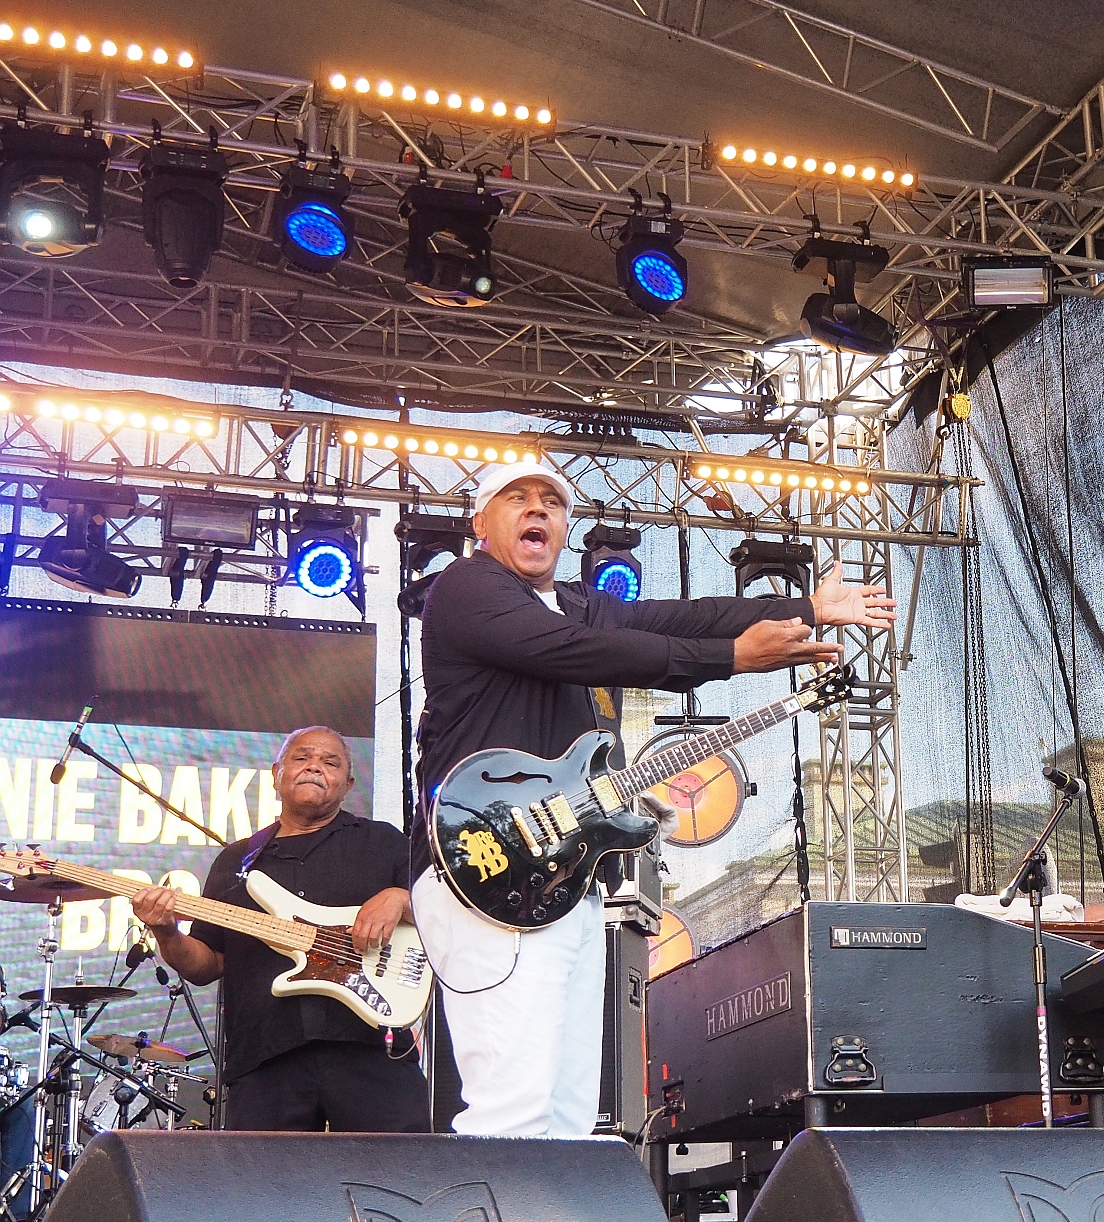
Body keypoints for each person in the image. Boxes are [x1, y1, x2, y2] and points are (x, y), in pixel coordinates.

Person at [411, 458, 892, 1138]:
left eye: (552, 501)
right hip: (485, 872)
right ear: (480, 524)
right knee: (511, 1109)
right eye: (517, 498)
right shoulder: (467, 587)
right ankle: (493, 1213)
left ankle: (552, 1214)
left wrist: (806, 609)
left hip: (561, 878)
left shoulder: (576, 601)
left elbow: (684, 616)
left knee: (569, 1118)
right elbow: (582, 651)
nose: (538, 509)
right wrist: (731, 659)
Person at [134, 726, 430, 1132]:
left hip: (370, 1049)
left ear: (348, 784)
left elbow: (446, 911)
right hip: (265, 1058)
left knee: (397, 1170)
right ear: (276, 775)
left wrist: (400, 897)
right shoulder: (236, 861)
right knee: (263, 1175)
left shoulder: (383, 842)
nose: (314, 767)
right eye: (301, 758)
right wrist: (167, 932)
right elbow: (207, 965)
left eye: (330, 762)